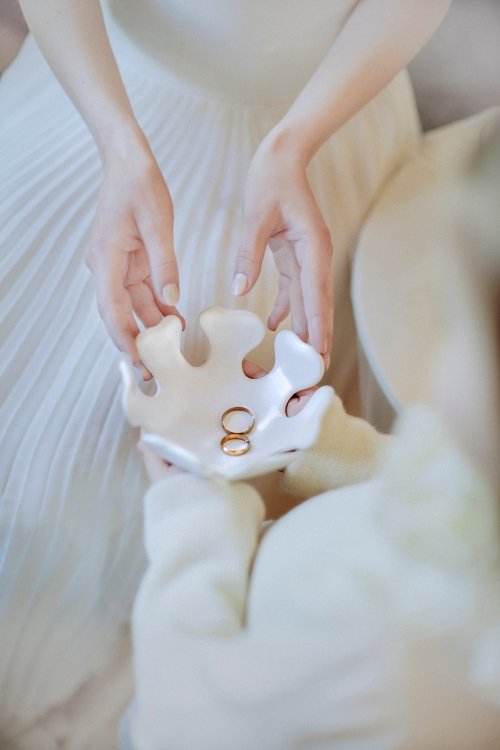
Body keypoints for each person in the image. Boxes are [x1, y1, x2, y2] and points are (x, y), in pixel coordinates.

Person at [0, 0, 453, 742]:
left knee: (238, 454)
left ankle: (162, 614)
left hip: (328, 120)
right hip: (104, 99)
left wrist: (296, 141)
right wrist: (117, 143)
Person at [126, 129, 500, 749]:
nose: (440, 354)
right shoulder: (482, 470)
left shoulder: (404, 665)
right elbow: (448, 490)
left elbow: (188, 714)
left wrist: (194, 524)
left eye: (456, 329)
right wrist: (331, 447)